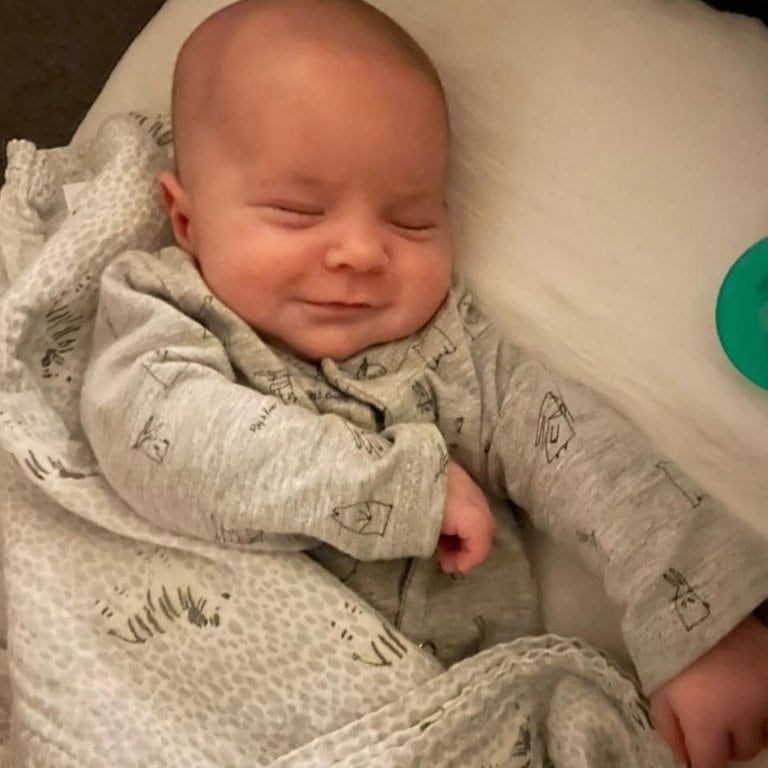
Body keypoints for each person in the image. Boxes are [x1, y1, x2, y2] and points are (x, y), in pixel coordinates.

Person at [79, 1, 768, 765]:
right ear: (186, 220)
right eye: (298, 211)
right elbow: (158, 436)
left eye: (411, 221)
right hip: (186, 702)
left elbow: (589, 460)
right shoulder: (167, 313)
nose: (361, 252)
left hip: (437, 721)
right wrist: (400, 489)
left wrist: (698, 622)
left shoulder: (453, 351)